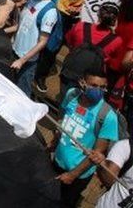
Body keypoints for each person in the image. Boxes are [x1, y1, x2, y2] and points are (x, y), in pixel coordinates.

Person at [50, 67, 119, 207]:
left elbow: (96, 154)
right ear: (82, 82)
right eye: (94, 85)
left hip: (77, 175)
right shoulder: (71, 95)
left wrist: (73, 175)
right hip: (57, 161)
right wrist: (54, 142)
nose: (98, 91)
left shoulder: (107, 116)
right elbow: (62, 120)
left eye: (103, 87)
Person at [7, 0, 58, 96]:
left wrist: (22, 61)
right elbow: (22, 26)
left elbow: (43, 41)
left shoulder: (50, 12)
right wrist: (2, 31)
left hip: (27, 61)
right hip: (15, 52)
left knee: (22, 93)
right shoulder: (29, 1)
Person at [60, 3, 124, 97]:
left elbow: (70, 44)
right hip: (91, 82)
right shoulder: (117, 41)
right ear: (115, 20)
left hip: (71, 72)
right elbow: (113, 64)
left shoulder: (80, 26)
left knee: (65, 100)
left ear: (98, 15)